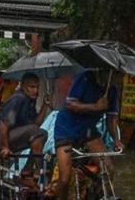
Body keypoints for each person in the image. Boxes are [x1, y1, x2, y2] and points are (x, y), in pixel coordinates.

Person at [53, 69, 124, 200]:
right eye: (119, 74)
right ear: (107, 72)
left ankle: (100, 195)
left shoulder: (112, 91)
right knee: (64, 178)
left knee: (108, 169)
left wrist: (116, 140)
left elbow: (111, 119)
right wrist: (95, 107)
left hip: (88, 130)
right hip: (66, 129)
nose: (121, 79)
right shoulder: (84, 77)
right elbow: (70, 103)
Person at [0, 72, 50, 189]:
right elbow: (3, 124)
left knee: (43, 134)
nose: (35, 91)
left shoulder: (30, 101)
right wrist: (5, 147)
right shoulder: (18, 99)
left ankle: (27, 170)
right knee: (37, 131)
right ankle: (40, 171)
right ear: (23, 86)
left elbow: (36, 124)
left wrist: (45, 106)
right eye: (32, 87)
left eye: (37, 87)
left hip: (14, 136)